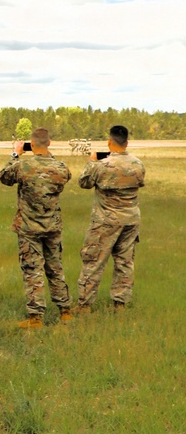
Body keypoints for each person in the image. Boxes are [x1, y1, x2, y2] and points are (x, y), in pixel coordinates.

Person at [0, 128, 72, 329]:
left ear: (31, 143)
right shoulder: (60, 167)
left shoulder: (23, 165)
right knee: (55, 267)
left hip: (29, 226)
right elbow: (66, 176)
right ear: (49, 142)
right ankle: (65, 310)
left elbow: (3, 176)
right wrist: (48, 156)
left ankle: (36, 316)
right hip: (52, 225)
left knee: (32, 270)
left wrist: (16, 154)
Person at [73, 125, 145, 312]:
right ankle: (120, 304)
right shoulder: (137, 164)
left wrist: (91, 161)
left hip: (106, 220)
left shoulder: (102, 165)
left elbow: (84, 183)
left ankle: (84, 305)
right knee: (125, 262)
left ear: (109, 142)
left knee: (94, 260)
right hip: (131, 220)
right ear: (127, 143)